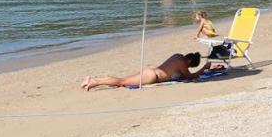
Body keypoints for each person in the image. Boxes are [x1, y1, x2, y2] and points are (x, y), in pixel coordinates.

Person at [82, 52, 212, 91]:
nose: (188, 67)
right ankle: (95, 81)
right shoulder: (183, 63)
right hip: (152, 76)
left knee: (123, 80)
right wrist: (204, 68)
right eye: (191, 66)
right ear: (190, 62)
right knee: (122, 81)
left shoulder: (177, 56)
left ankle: (93, 79)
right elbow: (190, 76)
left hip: (151, 71)